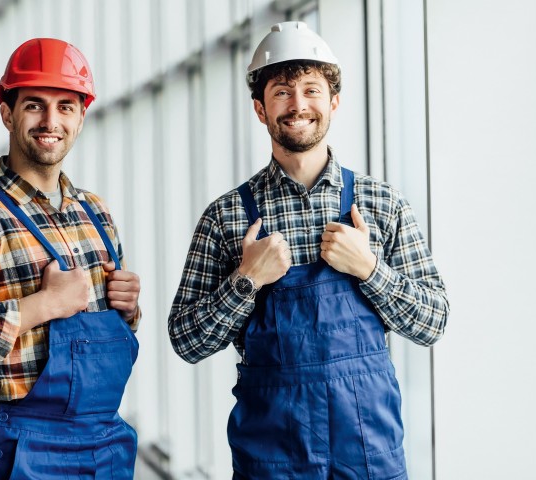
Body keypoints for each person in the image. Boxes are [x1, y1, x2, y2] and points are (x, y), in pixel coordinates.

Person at [168, 21, 449, 479]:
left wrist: (370, 269)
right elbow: (186, 341)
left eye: (312, 90)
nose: (298, 105)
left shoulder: (380, 204)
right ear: (260, 109)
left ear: (333, 102)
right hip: (271, 454)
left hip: (367, 452)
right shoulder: (226, 217)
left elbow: (433, 321)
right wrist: (247, 281)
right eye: (281, 91)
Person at [0, 38, 142, 479]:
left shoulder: (95, 212)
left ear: (81, 117)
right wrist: (41, 307)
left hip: (105, 441)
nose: (51, 121)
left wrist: (128, 307)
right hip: (26, 445)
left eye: (66, 107)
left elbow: (105, 333)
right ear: (7, 112)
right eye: (34, 105)